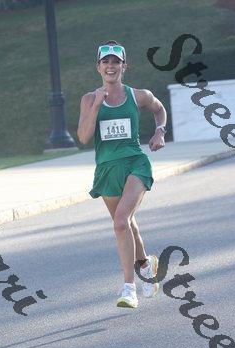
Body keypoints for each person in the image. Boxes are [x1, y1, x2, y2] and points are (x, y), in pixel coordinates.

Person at [77, 41, 167, 308]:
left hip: (135, 163)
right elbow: (83, 137)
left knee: (120, 222)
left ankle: (129, 288)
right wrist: (97, 105)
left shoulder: (139, 96)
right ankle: (147, 266)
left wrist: (160, 131)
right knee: (127, 224)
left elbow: (159, 110)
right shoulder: (89, 99)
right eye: (105, 62)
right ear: (98, 67)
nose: (110, 66)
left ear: (124, 66)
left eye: (116, 62)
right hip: (107, 169)